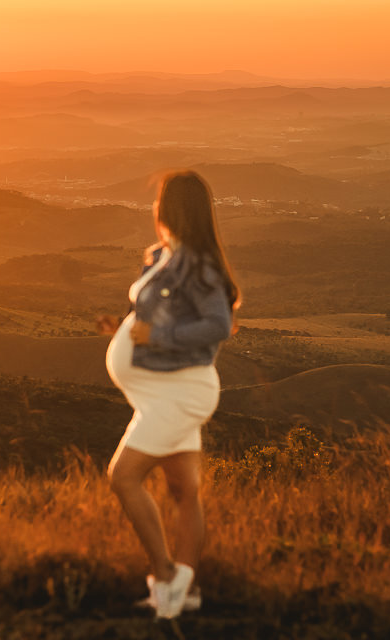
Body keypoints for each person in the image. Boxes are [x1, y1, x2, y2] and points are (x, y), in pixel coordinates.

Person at [97, 170, 240, 619]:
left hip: (180, 392)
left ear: (174, 208)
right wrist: (122, 327)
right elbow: (154, 314)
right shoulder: (163, 256)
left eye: (161, 199)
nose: (155, 206)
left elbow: (218, 325)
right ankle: (185, 592)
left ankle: (166, 578)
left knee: (123, 477)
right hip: (160, 391)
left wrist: (157, 336)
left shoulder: (199, 265)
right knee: (183, 490)